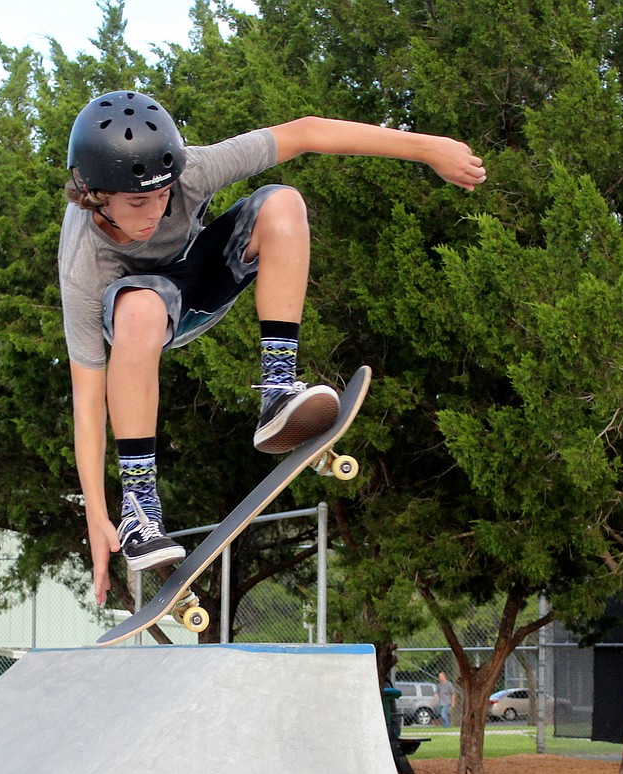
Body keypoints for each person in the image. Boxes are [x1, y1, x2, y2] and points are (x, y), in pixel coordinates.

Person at [59, 90, 486, 605]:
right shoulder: (83, 259)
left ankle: (278, 390)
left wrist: (429, 148)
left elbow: (304, 132)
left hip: (209, 277)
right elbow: (88, 397)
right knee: (140, 308)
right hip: (144, 315)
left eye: (163, 196)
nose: (155, 211)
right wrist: (97, 515)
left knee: (283, 201)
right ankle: (140, 506)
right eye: (136, 203)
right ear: (95, 194)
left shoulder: (191, 170)